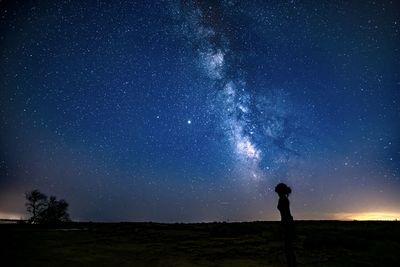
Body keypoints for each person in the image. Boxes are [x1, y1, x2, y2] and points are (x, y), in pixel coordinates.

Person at [275, 183, 297, 267]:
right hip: (287, 222)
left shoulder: (283, 199)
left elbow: (284, 214)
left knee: (288, 248)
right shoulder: (283, 198)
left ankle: (292, 264)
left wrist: (283, 226)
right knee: (288, 247)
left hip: (287, 223)